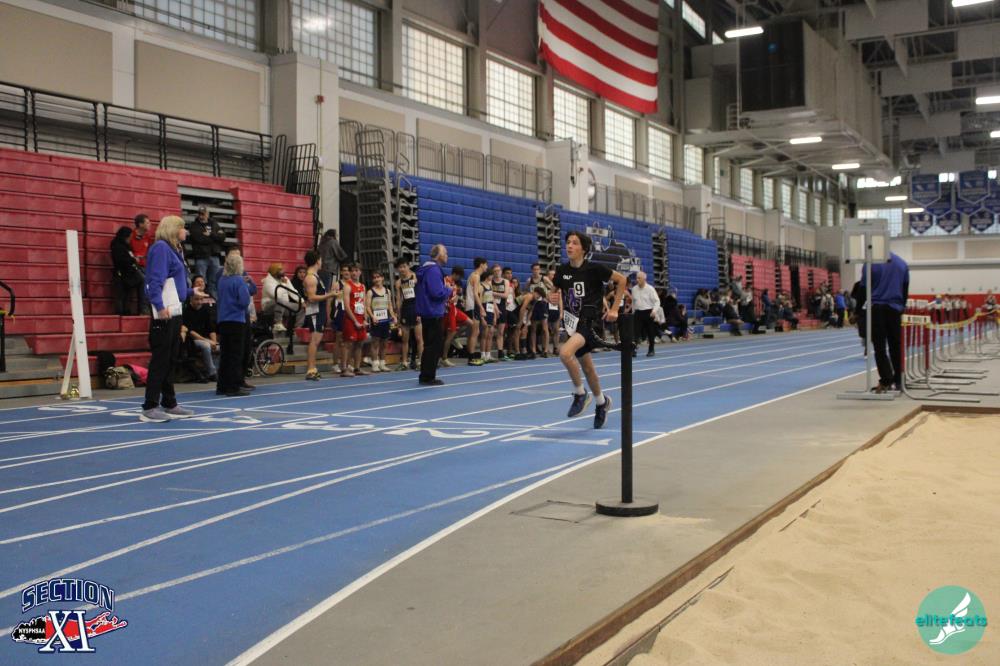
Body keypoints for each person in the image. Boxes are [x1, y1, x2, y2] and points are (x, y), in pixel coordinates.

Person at [554, 231, 626, 429]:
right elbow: (556, 290)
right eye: (568, 242)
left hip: (589, 322)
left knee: (565, 353)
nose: (569, 246)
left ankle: (580, 394)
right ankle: (602, 403)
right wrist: (553, 297)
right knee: (588, 369)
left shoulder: (595, 269)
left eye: (574, 243)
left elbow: (622, 280)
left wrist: (614, 309)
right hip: (572, 323)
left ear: (584, 249)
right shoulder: (562, 270)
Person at [140, 215, 193, 423]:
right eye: (183, 227)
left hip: (175, 310)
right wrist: (159, 306)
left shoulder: (174, 250)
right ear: (173, 229)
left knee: (171, 359)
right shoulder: (161, 248)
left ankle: (169, 402)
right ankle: (150, 405)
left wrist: (191, 292)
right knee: (161, 359)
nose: (185, 231)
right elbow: (155, 280)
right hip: (165, 312)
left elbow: (175, 283)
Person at [861, 251, 909, 392]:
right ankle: (899, 380)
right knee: (896, 345)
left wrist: (859, 311)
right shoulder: (902, 263)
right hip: (895, 308)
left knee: (879, 347)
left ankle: (886, 380)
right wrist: (901, 307)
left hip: (877, 308)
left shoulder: (870, 262)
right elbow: (905, 288)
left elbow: (864, 287)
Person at [215, 252, 255, 396]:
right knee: (235, 355)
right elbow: (245, 301)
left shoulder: (222, 280)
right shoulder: (239, 280)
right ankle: (233, 386)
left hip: (223, 320)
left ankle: (221, 386)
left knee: (225, 354)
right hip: (236, 320)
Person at [415, 244, 451, 385]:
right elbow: (437, 293)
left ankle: (426, 374)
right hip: (433, 312)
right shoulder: (434, 270)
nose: (447, 255)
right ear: (439, 255)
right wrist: (449, 290)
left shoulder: (425, 269)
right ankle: (428, 376)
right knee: (434, 346)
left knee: (430, 345)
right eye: (445, 253)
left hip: (427, 311)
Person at [301, 250, 338, 381]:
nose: (321, 262)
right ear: (317, 261)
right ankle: (310, 369)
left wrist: (330, 292)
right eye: (321, 259)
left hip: (319, 311)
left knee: (317, 340)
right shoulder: (311, 278)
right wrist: (330, 295)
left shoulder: (315, 276)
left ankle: (313, 368)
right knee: (314, 340)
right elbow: (311, 298)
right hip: (315, 311)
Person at [183, 275, 218, 382]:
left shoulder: (205, 310)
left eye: (201, 299)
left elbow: (211, 328)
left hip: (204, 338)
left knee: (219, 347)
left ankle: (218, 370)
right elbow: (191, 332)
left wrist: (214, 342)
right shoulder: (187, 311)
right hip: (192, 340)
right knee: (206, 346)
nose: (199, 302)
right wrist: (208, 341)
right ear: (191, 299)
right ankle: (212, 373)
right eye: (196, 299)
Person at [189, 205, 227, 298]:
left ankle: (213, 301)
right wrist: (214, 237)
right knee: (200, 281)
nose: (201, 216)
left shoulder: (214, 223)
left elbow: (222, 237)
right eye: (199, 214)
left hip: (214, 256)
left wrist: (210, 235)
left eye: (203, 214)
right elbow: (198, 239)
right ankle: (201, 300)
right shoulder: (194, 225)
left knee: (214, 281)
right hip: (201, 257)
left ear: (207, 214)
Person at [341, 263, 370, 377]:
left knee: (360, 344)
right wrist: (355, 321)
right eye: (352, 270)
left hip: (360, 317)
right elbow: (347, 306)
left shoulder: (362, 286)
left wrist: (365, 319)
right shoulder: (347, 286)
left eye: (356, 270)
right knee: (348, 344)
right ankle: (344, 369)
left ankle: (357, 368)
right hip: (350, 319)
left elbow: (364, 304)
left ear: (360, 272)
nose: (354, 273)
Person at [394, 258, 423, 370]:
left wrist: (420, 311)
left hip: (416, 309)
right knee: (405, 340)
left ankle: (421, 362)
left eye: (404, 266)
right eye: (400, 267)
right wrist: (398, 316)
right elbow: (398, 300)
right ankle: (404, 363)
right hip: (406, 311)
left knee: (419, 338)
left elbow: (419, 294)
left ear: (408, 266)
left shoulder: (415, 277)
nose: (402, 269)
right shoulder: (398, 283)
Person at [111, 226, 146, 315]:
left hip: (129, 273)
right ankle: (121, 313)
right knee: (121, 296)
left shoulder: (127, 246)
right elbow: (121, 260)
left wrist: (134, 259)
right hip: (121, 274)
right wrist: (133, 259)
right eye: (129, 237)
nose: (130, 239)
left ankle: (130, 311)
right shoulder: (117, 246)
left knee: (128, 295)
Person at [442, 267, 474, 367]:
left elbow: (454, 296)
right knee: (450, 334)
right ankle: (444, 358)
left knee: (471, 324)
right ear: (455, 274)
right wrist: (448, 299)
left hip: (454, 308)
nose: (459, 279)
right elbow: (443, 294)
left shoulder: (454, 283)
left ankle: (455, 337)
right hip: (448, 309)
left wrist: (458, 296)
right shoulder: (446, 280)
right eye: (459, 277)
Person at [366, 271, 396, 372]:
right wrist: (372, 317)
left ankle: (382, 363)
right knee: (375, 343)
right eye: (374, 278)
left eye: (378, 277)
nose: (376, 279)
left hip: (386, 320)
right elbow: (367, 307)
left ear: (382, 278)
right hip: (376, 321)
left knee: (384, 343)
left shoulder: (387, 291)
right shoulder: (370, 292)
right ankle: (375, 364)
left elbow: (389, 305)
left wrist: (393, 315)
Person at [464, 258, 488, 366]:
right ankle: (471, 358)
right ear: (481, 265)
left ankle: (470, 356)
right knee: (474, 332)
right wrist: (481, 308)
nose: (487, 267)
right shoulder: (476, 276)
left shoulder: (473, 275)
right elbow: (475, 294)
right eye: (486, 264)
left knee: (474, 332)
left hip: (472, 306)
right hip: (473, 306)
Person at [630, 271, 659, 357]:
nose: (637, 279)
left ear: (644, 279)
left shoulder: (650, 289)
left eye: (639, 278)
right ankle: (634, 349)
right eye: (637, 278)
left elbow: (657, 301)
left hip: (648, 312)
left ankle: (651, 349)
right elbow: (633, 302)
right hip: (638, 313)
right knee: (635, 333)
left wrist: (654, 311)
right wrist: (633, 312)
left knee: (650, 332)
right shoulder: (634, 289)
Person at [487, 264, 511, 361]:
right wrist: (495, 306)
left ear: (501, 271)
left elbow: (506, 295)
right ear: (492, 272)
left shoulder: (505, 281)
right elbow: (489, 295)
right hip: (491, 307)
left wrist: (494, 293)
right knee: (491, 331)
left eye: (498, 270)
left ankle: (500, 353)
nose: (497, 272)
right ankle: (487, 354)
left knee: (501, 332)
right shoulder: (490, 281)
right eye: (495, 271)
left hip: (502, 307)